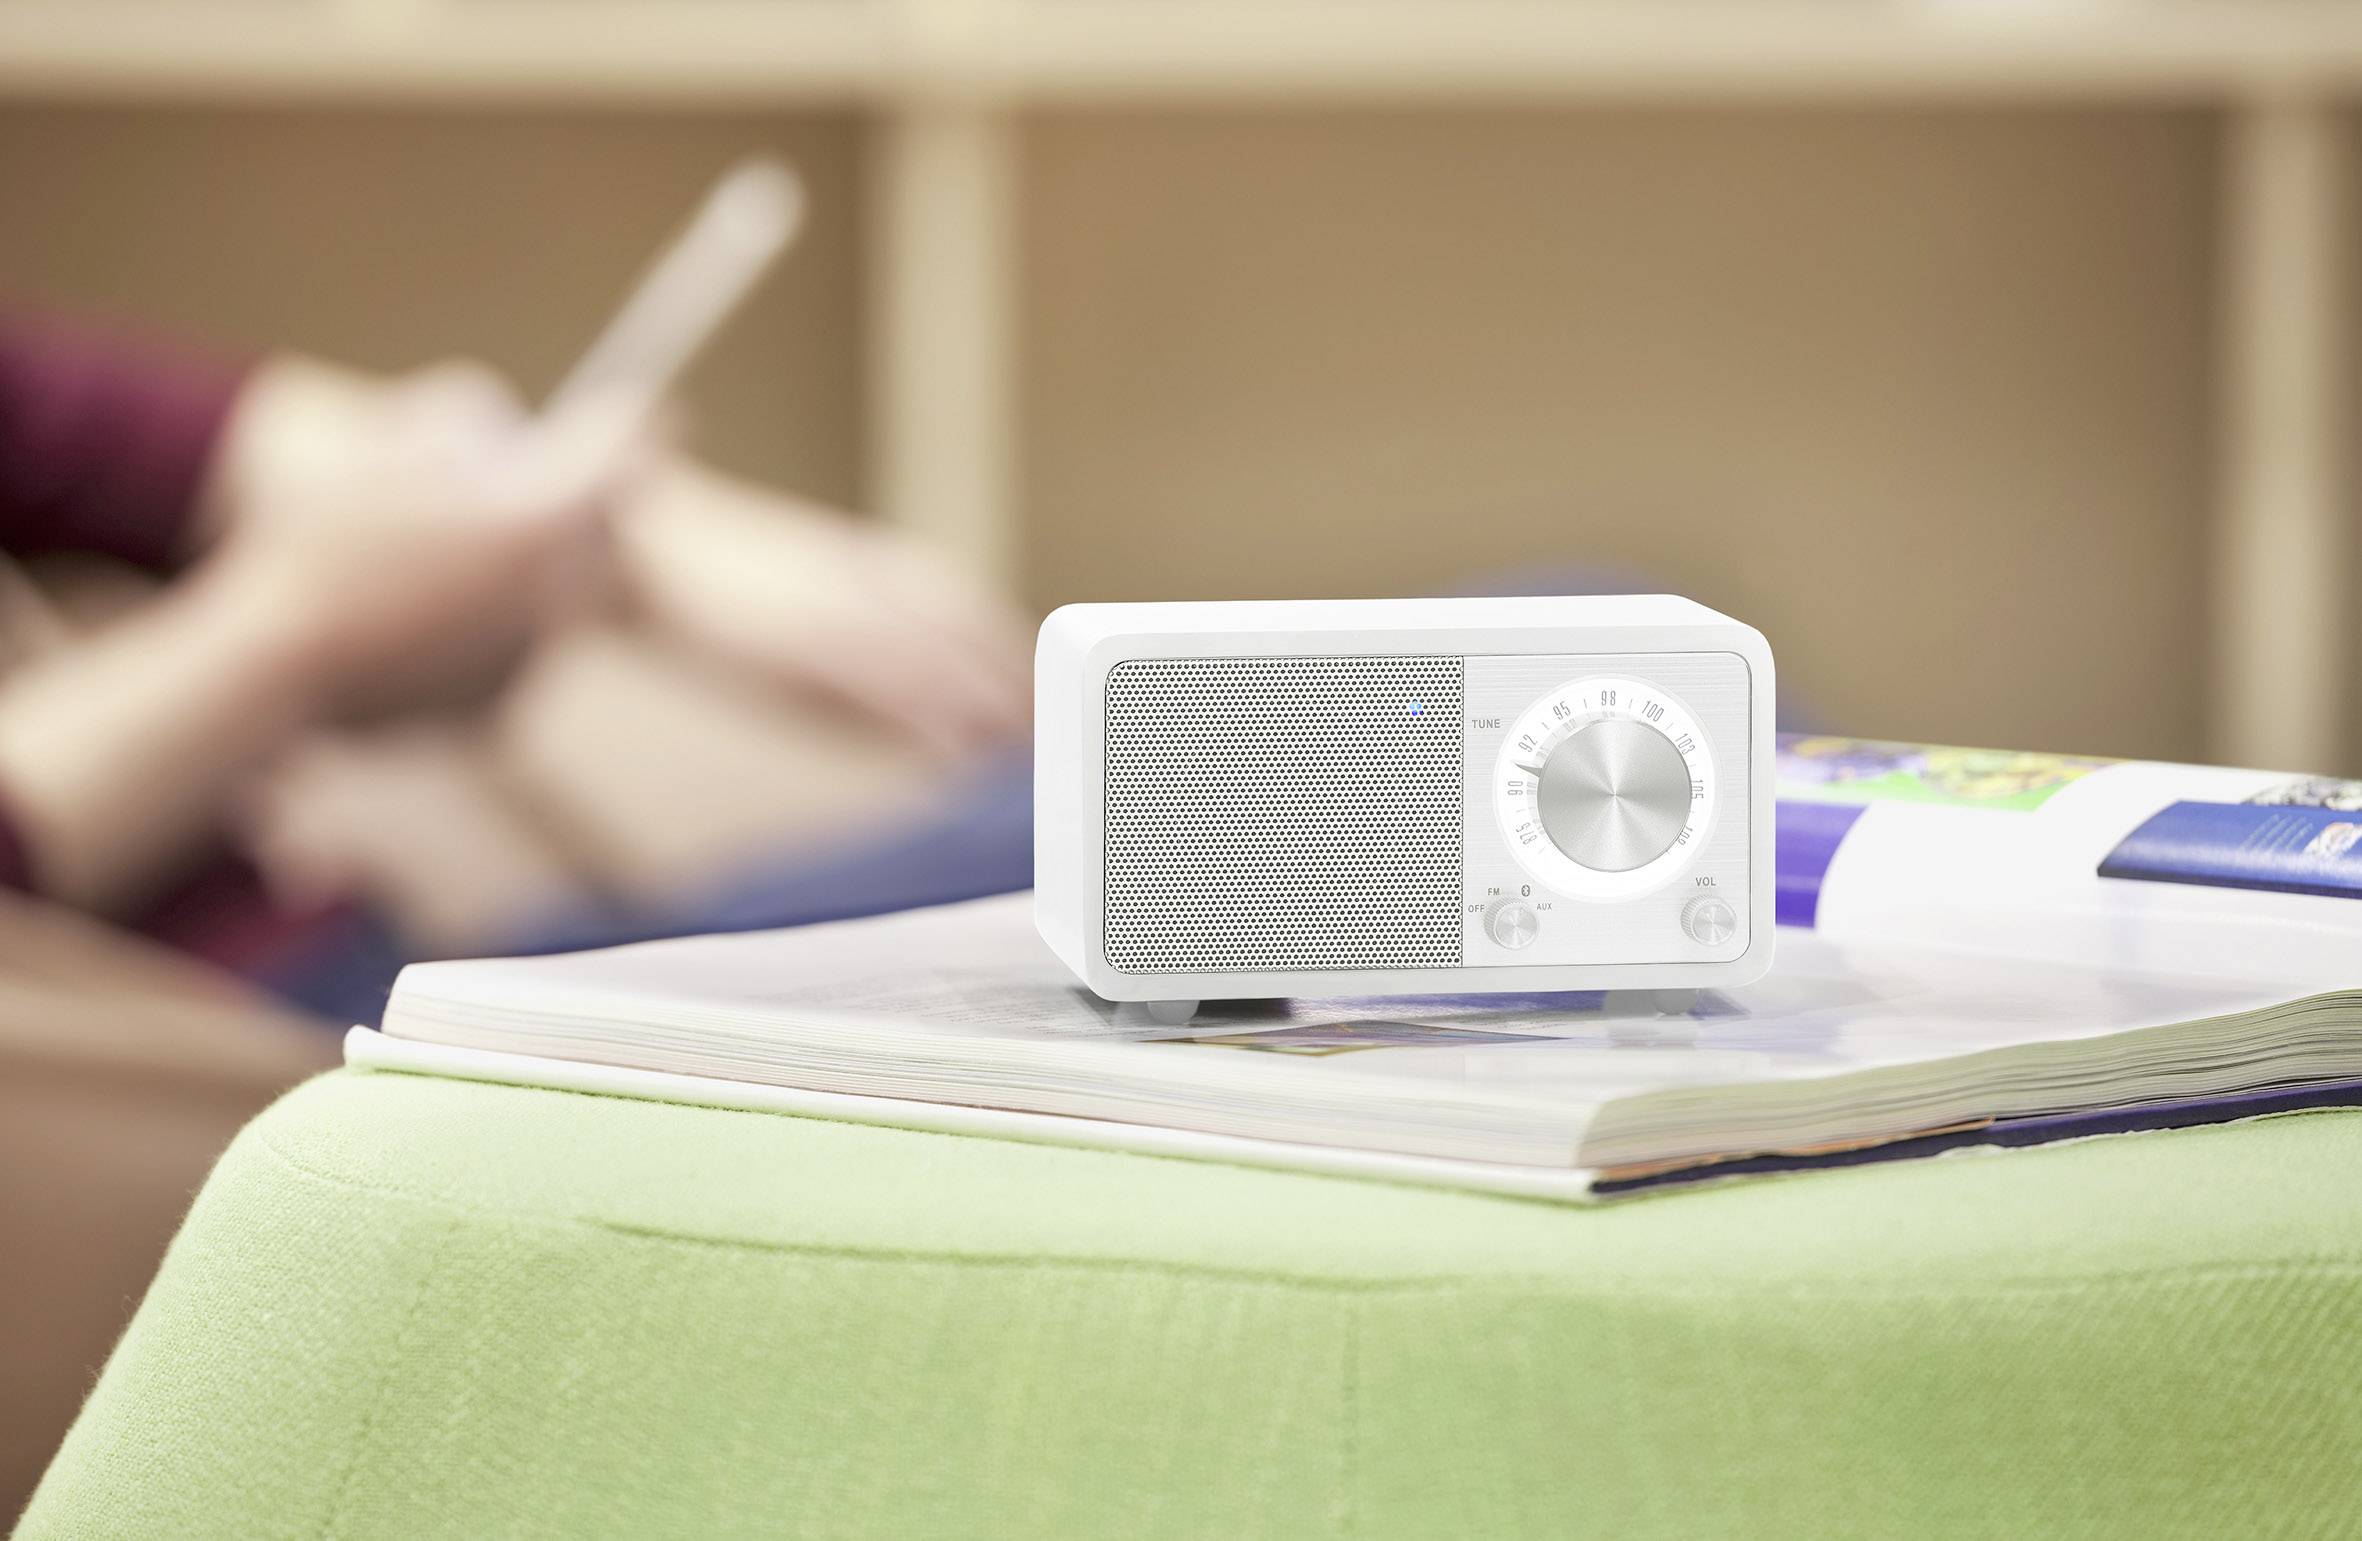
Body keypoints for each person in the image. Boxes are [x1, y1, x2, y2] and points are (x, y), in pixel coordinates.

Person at [0, 313, 1030, 926]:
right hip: (242, 1059)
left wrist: (658, 538)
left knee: (1071, 825)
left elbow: (177, 435)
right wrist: (292, 630)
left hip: (355, 959)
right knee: (1104, 838)